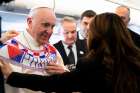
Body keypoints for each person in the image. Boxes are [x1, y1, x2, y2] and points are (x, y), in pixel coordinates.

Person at [1, 12, 140, 93]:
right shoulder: (135, 59)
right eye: (45, 25)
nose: (48, 31)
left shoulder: (90, 64)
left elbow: (51, 83)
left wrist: (12, 76)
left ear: (97, 34)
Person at [0, 6, 66, 93]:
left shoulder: (53, 51)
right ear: (30, 22)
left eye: (52, 27)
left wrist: (64, 72)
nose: (50, 31)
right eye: (45, 25)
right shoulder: (7, 49)